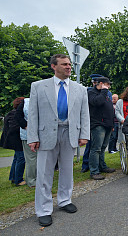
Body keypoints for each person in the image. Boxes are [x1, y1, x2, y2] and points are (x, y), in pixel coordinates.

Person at [27, 54, 90, 227]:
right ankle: (44, 210)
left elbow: (84, 113)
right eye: (64, 64)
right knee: (44, 173)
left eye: (69, 64)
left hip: (70, 133)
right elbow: (33, 114)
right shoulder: (38, 86)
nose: (69, 67)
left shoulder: (80, 88)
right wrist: (32, 137)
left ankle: (64, 200)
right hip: (46, 134)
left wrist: (84, 134)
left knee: (67, 170)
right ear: (54, 66)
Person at [88, 76, 116, 180]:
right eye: (107, 84)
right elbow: (97, 102)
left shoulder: (106, 94)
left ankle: (102, 166)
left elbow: (109, 109)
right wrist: (104, 91)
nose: (109, 86)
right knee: (96, 148)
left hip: (107, 124)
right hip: (98, 125)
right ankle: (94, 171)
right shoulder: (92, 92)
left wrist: (111, 124)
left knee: (103, 147)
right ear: (101, 83)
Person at [0, 97, 26, 186]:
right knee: (21, 158)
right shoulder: (15, 114)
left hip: (13, 139)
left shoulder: (11, 113)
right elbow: (14, 127)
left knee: (16, 158)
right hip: (15, 140)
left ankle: (13, 177)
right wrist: (25, 126)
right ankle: (18, 180)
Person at [81, 74, 103, 173]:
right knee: (90, 144)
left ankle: (97, 164)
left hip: (99, 121)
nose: (94, 84)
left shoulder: (103, 92)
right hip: (90, 121)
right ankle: (86, 164)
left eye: (96, 82)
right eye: (93, 82)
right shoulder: (88, 91)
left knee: (97, 146)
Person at [14, 98, 37, 187]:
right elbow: (17, 116)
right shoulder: (25, 102)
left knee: (35, 159)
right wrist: (27, 126)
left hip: (35, 134)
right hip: (27, 135)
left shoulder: (26, 102)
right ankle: (31, 181)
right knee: (32, 159)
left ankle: (35, 179)